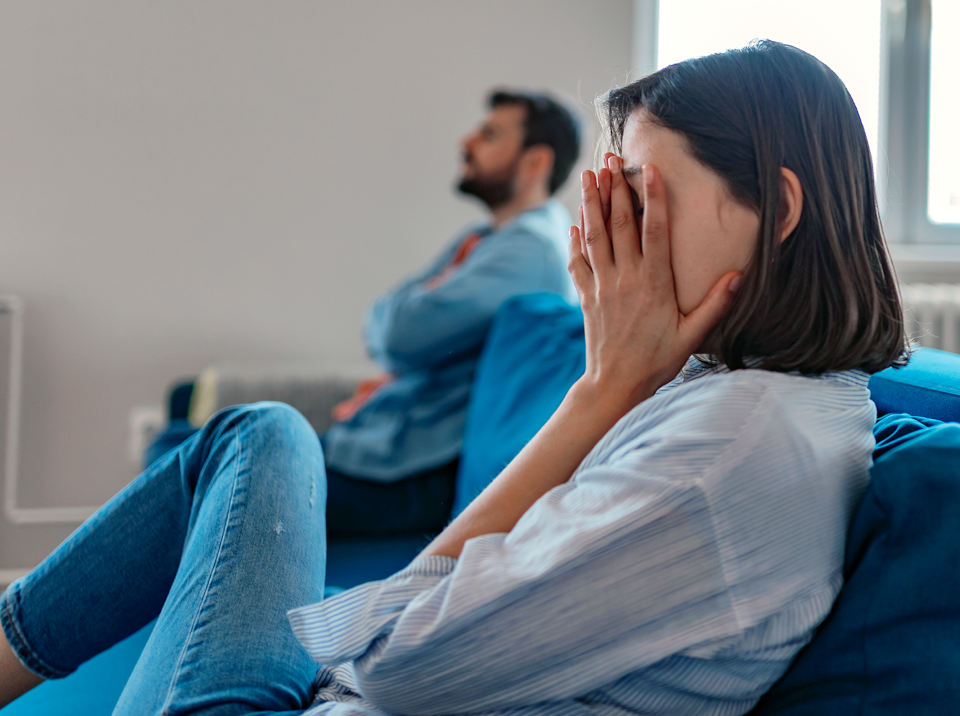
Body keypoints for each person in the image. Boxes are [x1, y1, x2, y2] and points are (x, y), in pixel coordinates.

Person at [0, 40, 907, 716]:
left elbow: (387, 662)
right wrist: (611, 390)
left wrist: (599, 395)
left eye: (638, 192)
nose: (607, 233)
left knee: (255, 436)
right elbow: (392, 329)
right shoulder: (758, 398)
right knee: (259, 434)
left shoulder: (728, 450)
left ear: (777, 208)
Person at [146, 88, 581, 537]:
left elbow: (396, 333)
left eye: (490, 135)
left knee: (178, 453)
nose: (466, 143)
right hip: (386, 449)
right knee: (183, 440)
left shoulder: (531, 250)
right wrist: (402, 322)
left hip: (410, 470)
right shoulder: (486, 239)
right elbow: (387, 323)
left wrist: (405, 319)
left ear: (535, 163)